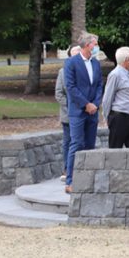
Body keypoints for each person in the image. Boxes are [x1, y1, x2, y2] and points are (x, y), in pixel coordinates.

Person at [63, 32, 103, 194]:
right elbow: (70, 88)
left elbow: (100, 85)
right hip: (78, 111)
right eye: (95, 44)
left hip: (93, 111)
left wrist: (95, 104)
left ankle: (87, 180)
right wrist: (86, 104)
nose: (96, 47)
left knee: (89, 145)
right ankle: (70, 180)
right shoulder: (71, 63)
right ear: (87, 45)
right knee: (76, 144)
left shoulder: (96, 64)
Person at [100, 46, 129, 149]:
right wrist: (106, 117)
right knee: (115, 150)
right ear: (126, 60)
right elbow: (107, 98)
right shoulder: (115, 75)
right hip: (119, 118)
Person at [54, 45, 81, 181]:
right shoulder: (63, 72)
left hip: (83, 113)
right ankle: (66, 169)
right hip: (68, 115)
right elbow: (59, 94)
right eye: (74, 54)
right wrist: (71, 105)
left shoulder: (85, 72)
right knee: (68, 142)